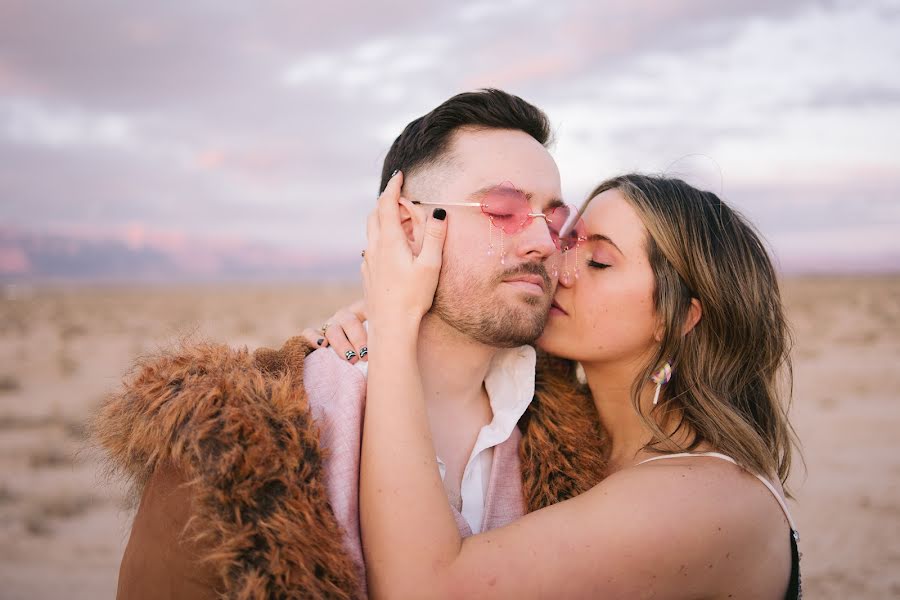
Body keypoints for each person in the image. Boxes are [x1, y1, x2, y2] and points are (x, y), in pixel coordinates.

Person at [92, 89, 608, 599]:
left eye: (555, 219)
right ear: (406, 226)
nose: (543, 242)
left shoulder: (576, 429)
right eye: (503, 208)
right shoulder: (235, 443)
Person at [334, 172, 802, 598]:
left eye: (598, 261)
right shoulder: (569, 436)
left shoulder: (707, 499)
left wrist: (395, 323)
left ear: (679, 317)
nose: (559, 267)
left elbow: (425, 590)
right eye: (567, 241)